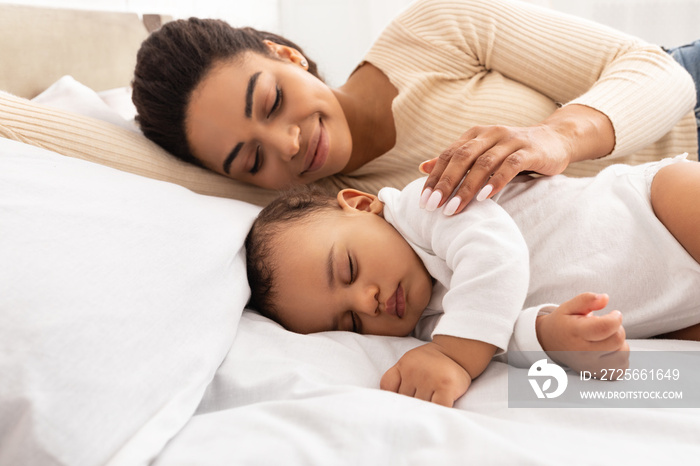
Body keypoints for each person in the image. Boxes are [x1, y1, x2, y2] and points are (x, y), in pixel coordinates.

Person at [132, 0, 698, 215]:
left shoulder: (433, 29)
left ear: (286, 55)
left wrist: (557, 138)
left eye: (273, 101)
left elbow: (660, 73)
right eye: (251, 160)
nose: (288, 145)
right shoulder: (335, 208)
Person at [244, 155, 700, 407]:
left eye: (348, 268)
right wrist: (550, 335)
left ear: (362, 205)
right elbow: (501, 333)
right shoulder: (432, 324)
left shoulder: (426, 204)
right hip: (673, 306)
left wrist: (454, 356)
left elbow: (495, 253)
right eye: (350, 322)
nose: (368, 302)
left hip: (655, 211)